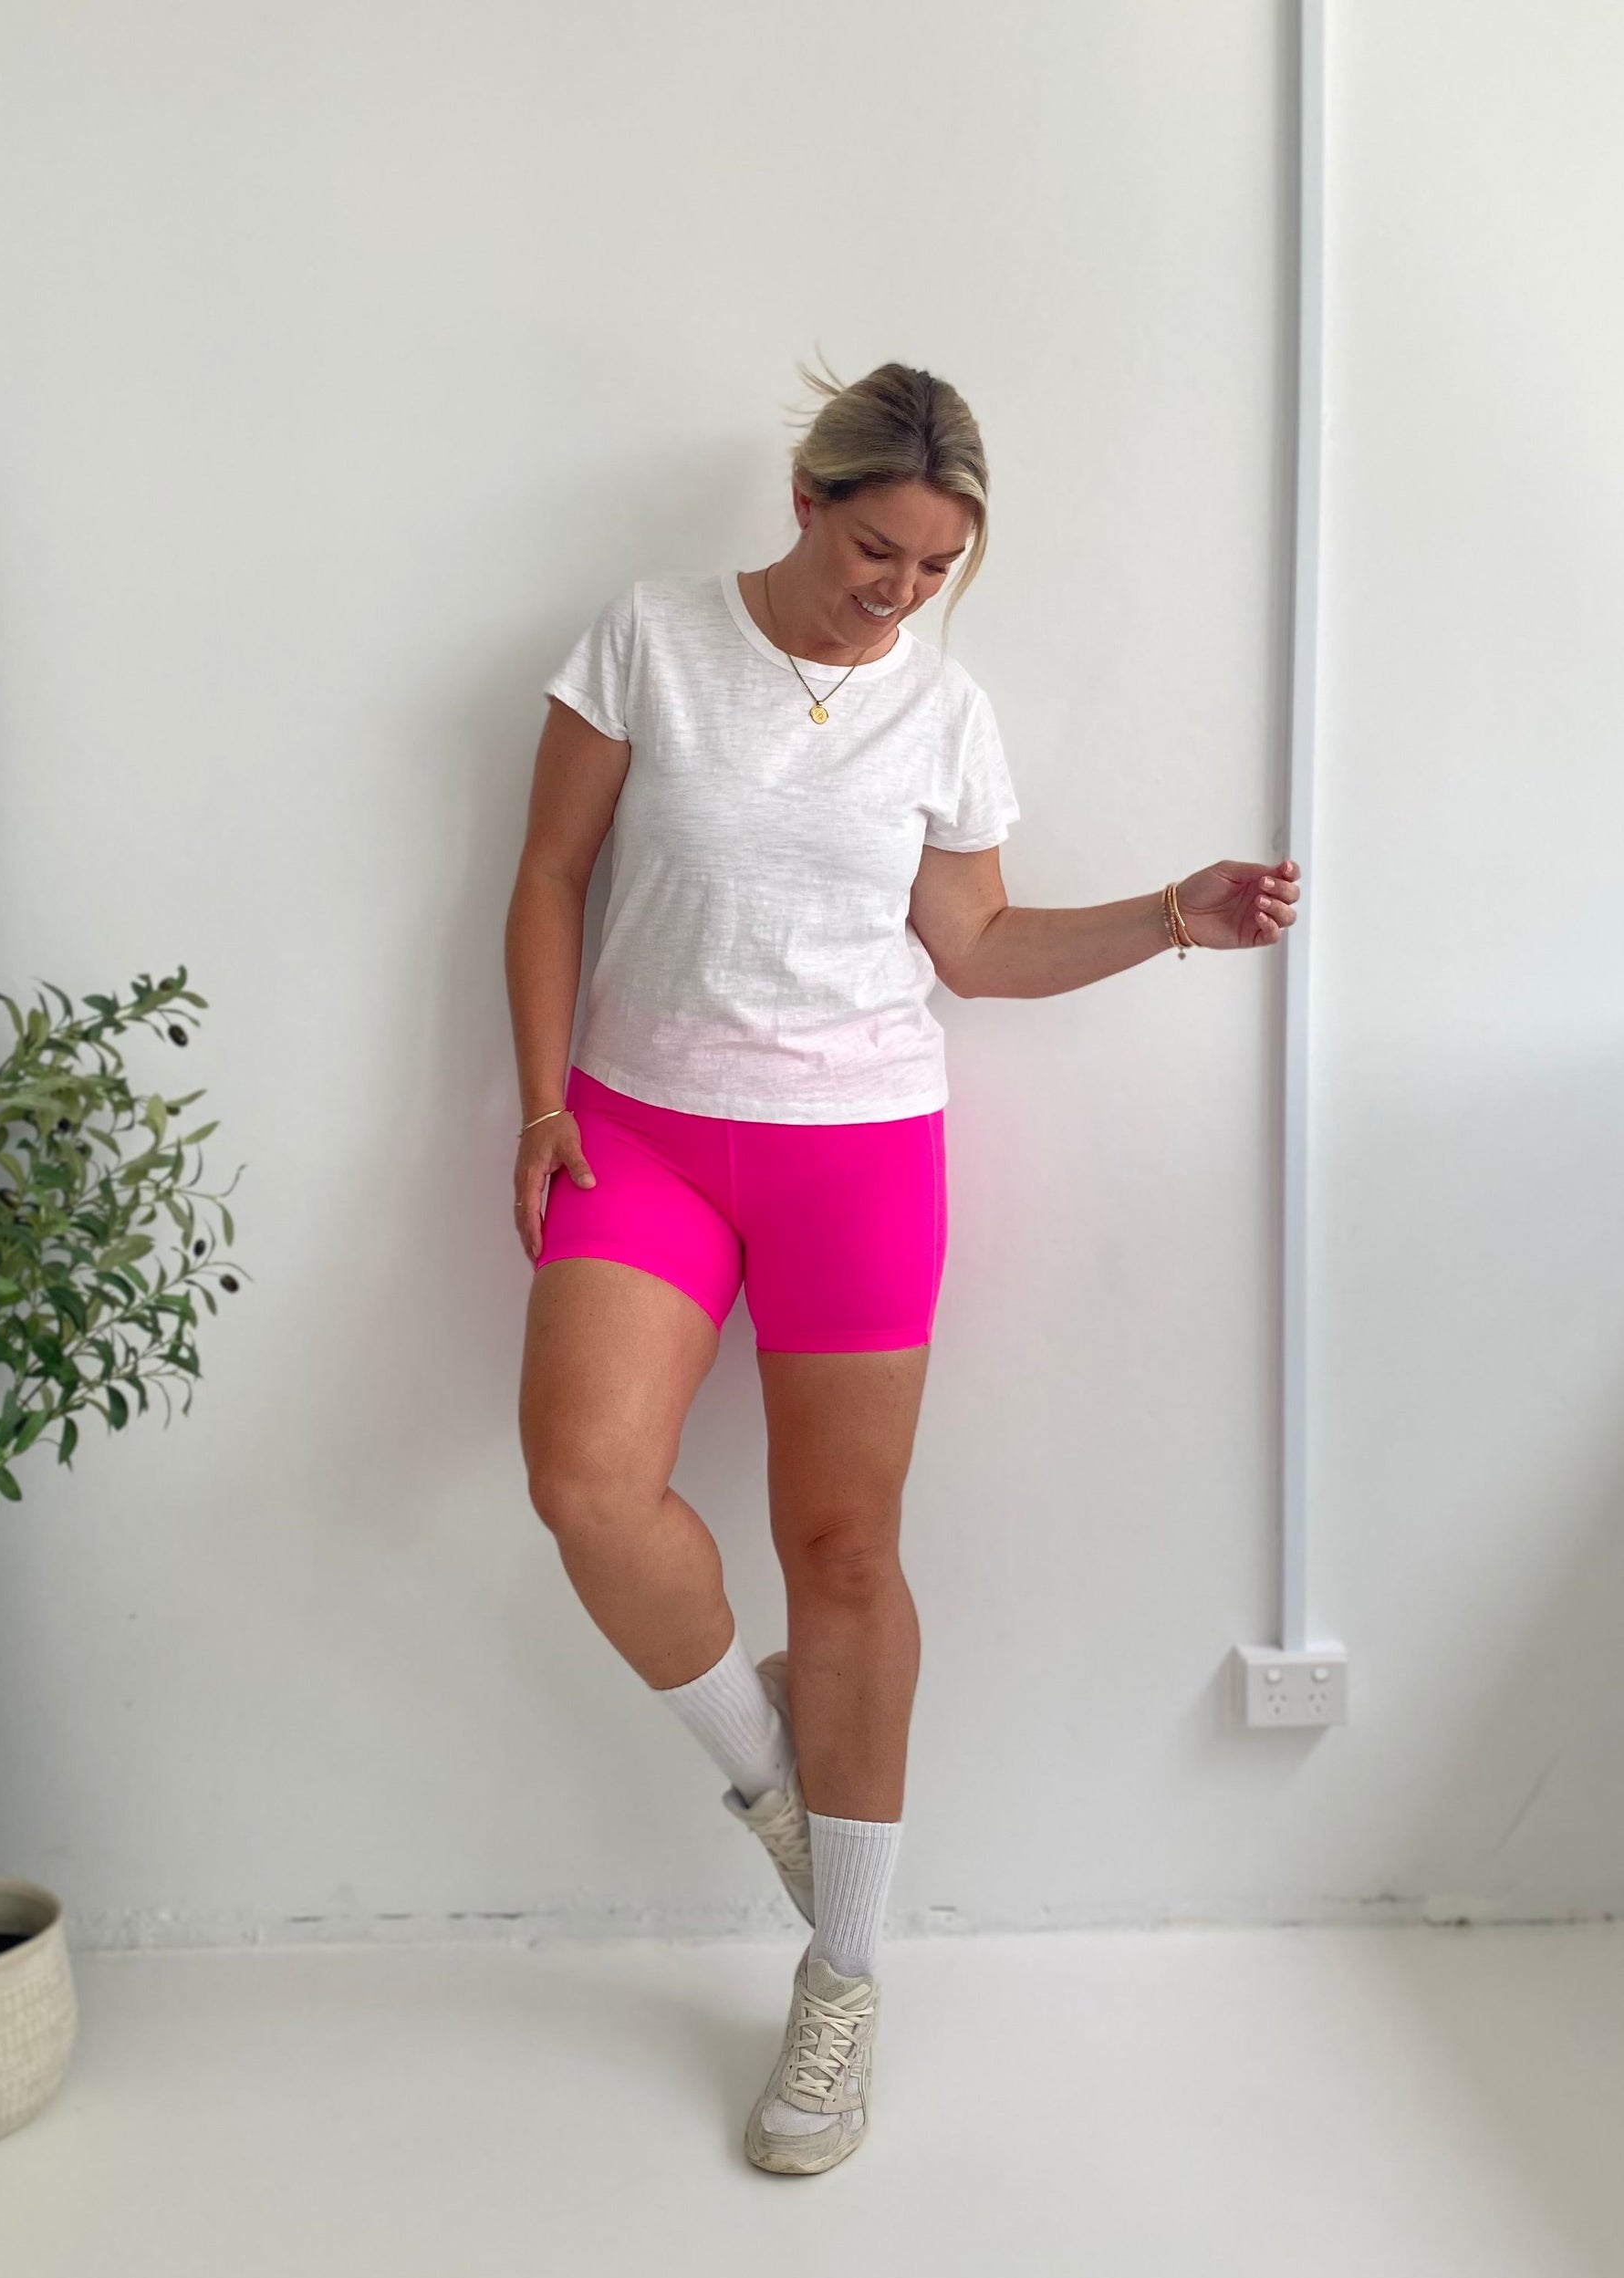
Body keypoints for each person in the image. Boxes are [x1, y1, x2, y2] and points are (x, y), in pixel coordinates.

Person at [505, 357, 1301, 2178]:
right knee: (588, 1486)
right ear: (806, 501)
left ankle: (843, 1974)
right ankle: (768, 1769)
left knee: (845, 1550)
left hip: (857, 1148)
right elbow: (547, 872)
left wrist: (1167, 918)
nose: (901, 591)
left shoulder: (942, 709)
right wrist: (543, 1099)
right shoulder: (649, 638)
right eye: (878, 552)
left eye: (938, 566)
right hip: (642, 1131)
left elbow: (976, 944)